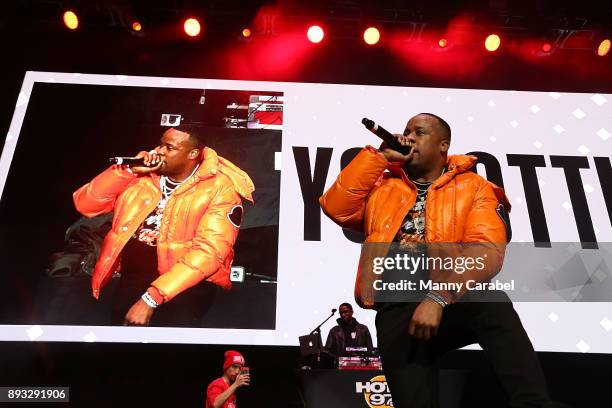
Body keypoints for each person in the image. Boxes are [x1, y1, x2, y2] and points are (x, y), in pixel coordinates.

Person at [320, 113, 566, 407]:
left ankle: (534, 404)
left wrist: (438, 298)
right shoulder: (384, 187)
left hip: (449, 299)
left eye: (419, 132)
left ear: (443, 145)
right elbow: (336, 208)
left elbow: (486, 250)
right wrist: (381, 158)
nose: (408, 137)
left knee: (491, 302)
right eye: (406, 131)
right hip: (396, 309)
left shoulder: (474, 187)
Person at [73, 126, 254, 326]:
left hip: (186, 284)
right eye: (160, 144)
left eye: (169, 147)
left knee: (168, 347)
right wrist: (128, 171)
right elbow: (85, 205)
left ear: (192, 153)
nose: (159, 151)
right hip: (133, 278)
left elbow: (209, 252)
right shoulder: (142, 177)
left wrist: (151, 299)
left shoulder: (220, 188)